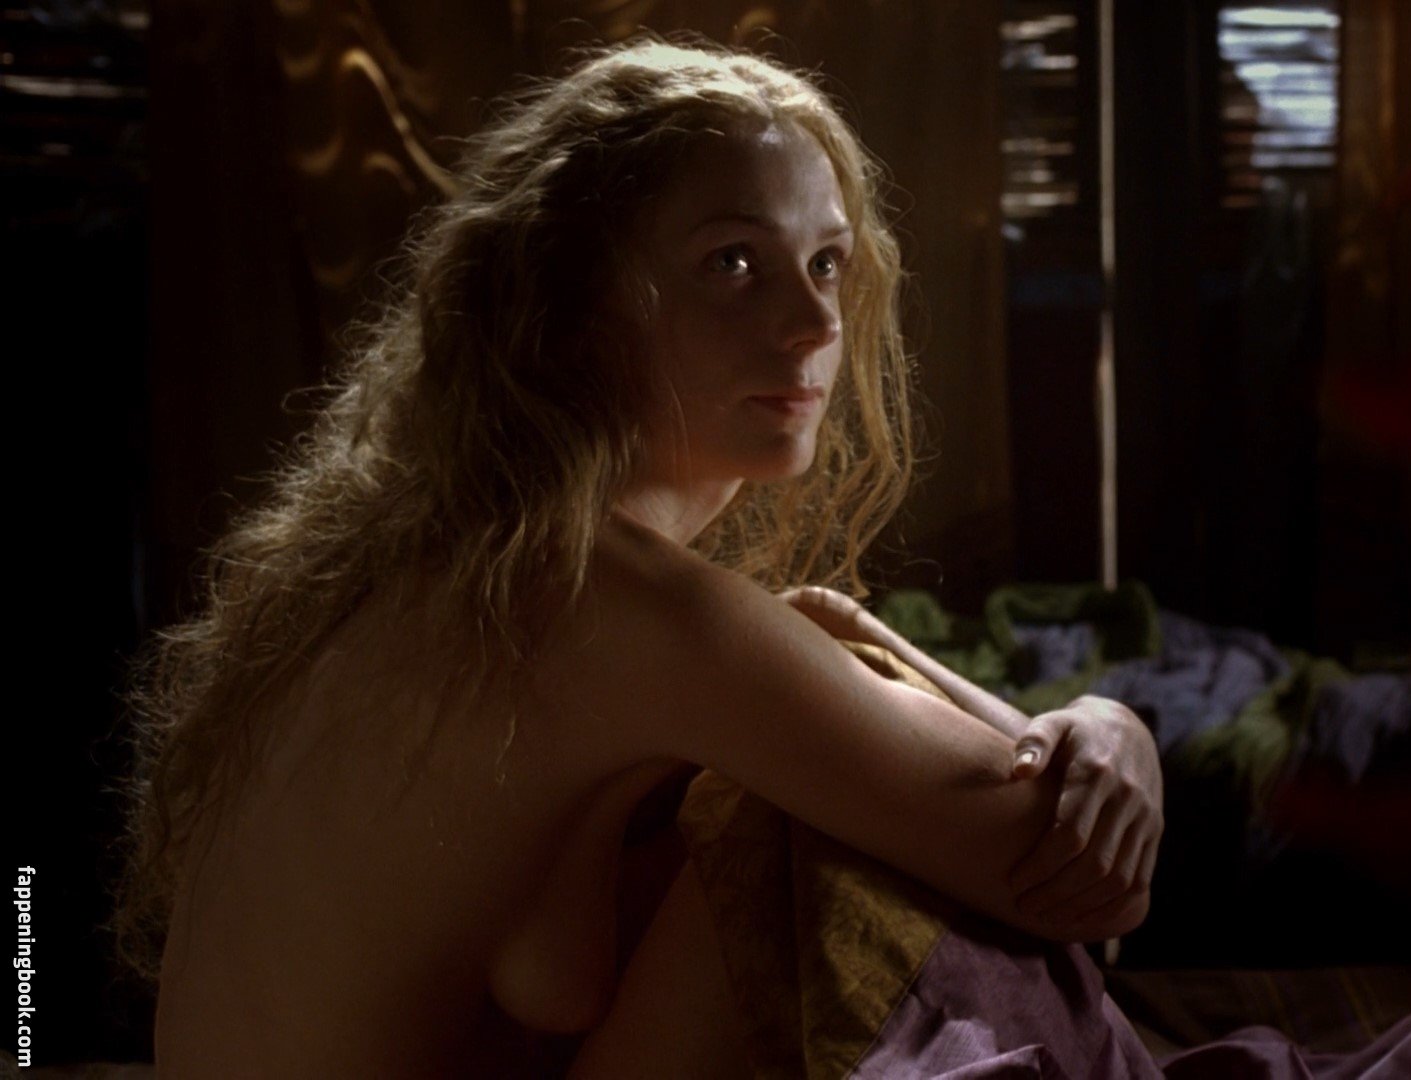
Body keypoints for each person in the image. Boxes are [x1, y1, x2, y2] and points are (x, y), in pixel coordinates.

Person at [112, 35, 1164, 1077]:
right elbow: (1076, 878)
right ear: (574, 306)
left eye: (827, 264)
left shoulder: (450, 562)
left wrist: (1073, 717)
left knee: (806, 735)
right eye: (734, 263)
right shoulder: (602, 598)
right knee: (806, 820)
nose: (813, 324)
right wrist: (1107, 730)